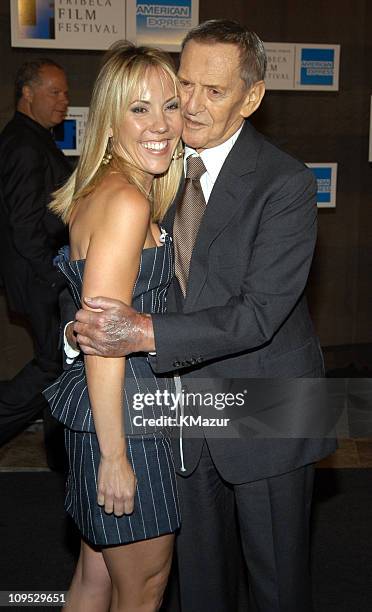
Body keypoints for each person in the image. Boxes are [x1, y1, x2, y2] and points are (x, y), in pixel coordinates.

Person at [70, 21, 336, 612]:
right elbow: (105, 268)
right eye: (183, 84)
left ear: (252, 98)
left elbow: (260, 314)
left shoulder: (285, 182)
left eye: (213, 92)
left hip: (268, 408)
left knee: (276, 588)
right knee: (200, 588)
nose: (188, 106)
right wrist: (77, 327)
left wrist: (142, 331)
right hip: (180, 415)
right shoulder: (154, 163)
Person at [44, 42, 184, 611]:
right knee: (143, 591)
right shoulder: (126, 202)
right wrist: (115, 456)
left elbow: (88, 322)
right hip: (127, 423)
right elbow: (106, 344)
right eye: (140, 108)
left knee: (94, 579)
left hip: (108, 413)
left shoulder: (102, 190)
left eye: (171, 107)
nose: (161, 125)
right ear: (108, 118)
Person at [0, 59, 71, 462]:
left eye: (65, 93)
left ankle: (61, 452)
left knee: (58, 364)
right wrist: (56, 275)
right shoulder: (25, 145)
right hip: (41, 281)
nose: (64, 101)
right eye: (55, 92)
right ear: (27, 93)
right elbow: (24, 226)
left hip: (40, 278)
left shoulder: (32, 138)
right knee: (52, 364)